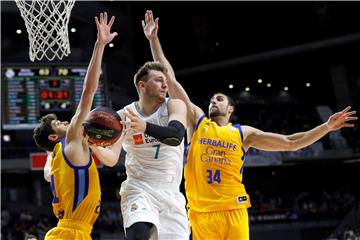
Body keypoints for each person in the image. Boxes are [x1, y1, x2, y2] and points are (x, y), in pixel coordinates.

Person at [142, 10, 358, 240]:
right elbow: (170, 78)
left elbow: (290, 142)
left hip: (234, 209)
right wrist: (154, 40)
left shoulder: (243, 133)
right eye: (212, 98)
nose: (213, 101)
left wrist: (326, 127)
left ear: (231, 109)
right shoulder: (197, 121)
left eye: (220, 99)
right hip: (201, 213)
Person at [33, 12, 118, 240]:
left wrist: (48, 153)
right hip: (72, 233)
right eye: (57, 123)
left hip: (68, 231)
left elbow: (47, 174)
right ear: (54, 137)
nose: (64, 121)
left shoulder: (57, 158)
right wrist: (100, 46)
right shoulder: (70, 139)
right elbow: (88, 92)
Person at [91, 45, 189, 240]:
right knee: (139, 235)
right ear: (142, 86)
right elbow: (111, 159)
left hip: (170, 191)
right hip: (139, 187)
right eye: (159, 80)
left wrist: (145, 127)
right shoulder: (123, 116)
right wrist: (94, 145)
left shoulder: (174, 105)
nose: (165, 85)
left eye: (165, 81)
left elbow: (175, 136)